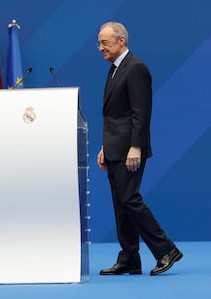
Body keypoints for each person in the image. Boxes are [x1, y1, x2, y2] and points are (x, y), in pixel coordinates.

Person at [96, 22, 183, 276]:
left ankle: (166, 250)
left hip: (129, 150)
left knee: (129, 199)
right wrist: (104, 147)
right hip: (114, 148)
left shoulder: (136, 68)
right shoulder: (114, 69)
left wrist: (136, 146)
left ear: (121, 41)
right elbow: (114, 115)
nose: (100, 48)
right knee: (120, 204)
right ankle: (130, 258)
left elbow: (141, 113)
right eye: (99, 43)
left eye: (105, 43)